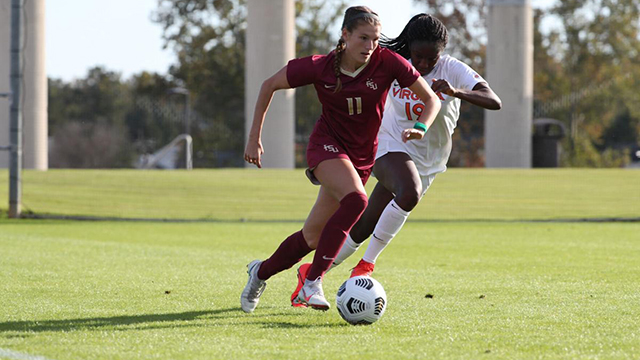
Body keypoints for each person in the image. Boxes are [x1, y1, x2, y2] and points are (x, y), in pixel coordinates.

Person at [290, 13, 502, 304]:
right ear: (409, 49)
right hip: (388, 143)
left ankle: (311, 273)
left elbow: (494, 100)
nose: (424, 65)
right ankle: (366, 266)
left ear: (442, 52)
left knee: (364, 226)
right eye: (418, 56)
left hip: (429, 160)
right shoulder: (390, 63)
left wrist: (457, 92)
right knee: (409, 191)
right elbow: (346, 89)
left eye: (432, 58)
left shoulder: (453, 69)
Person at [241, 6, 441, 313]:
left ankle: (260, 272)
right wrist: (254, 137)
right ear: (345, 35)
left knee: (311, 237)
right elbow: (269, 85)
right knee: (357, 201)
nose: (370, 46)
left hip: (361, 158)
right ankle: (312, 282)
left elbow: (431, 99)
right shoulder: (320, 66)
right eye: (362, 38)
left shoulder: (387, 62)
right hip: (326, 147)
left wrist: (421, 126)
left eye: (374, 39)